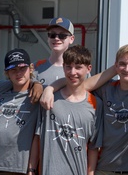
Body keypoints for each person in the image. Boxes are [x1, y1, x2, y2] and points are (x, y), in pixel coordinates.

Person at [40, 44, 128, 174]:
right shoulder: (106, 90)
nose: (126, 69)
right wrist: (50, 88)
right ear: (115, 66)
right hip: (104, 167)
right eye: (122, 64)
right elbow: (80, 85)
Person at [37, 45, 102, 175]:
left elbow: (93, 147)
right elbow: (36, 138)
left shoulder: (96, 104)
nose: (72, 72)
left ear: (89, 68)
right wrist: (31, 170)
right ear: (63, 67)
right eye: (68, 66)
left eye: (78, 67)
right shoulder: (48, 99)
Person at [0, 49, 39, 175]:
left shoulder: (36, 96)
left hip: (18, 166)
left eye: (22, 68)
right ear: (7, 73)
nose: (18, 73)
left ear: (31, 68)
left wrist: (39, 85)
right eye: (13, 70)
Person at [34, 17, 75, 86]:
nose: (56, 38)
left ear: (71, 39)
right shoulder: (35, 67)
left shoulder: (78, 70)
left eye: (62, 35)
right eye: (52, 35)